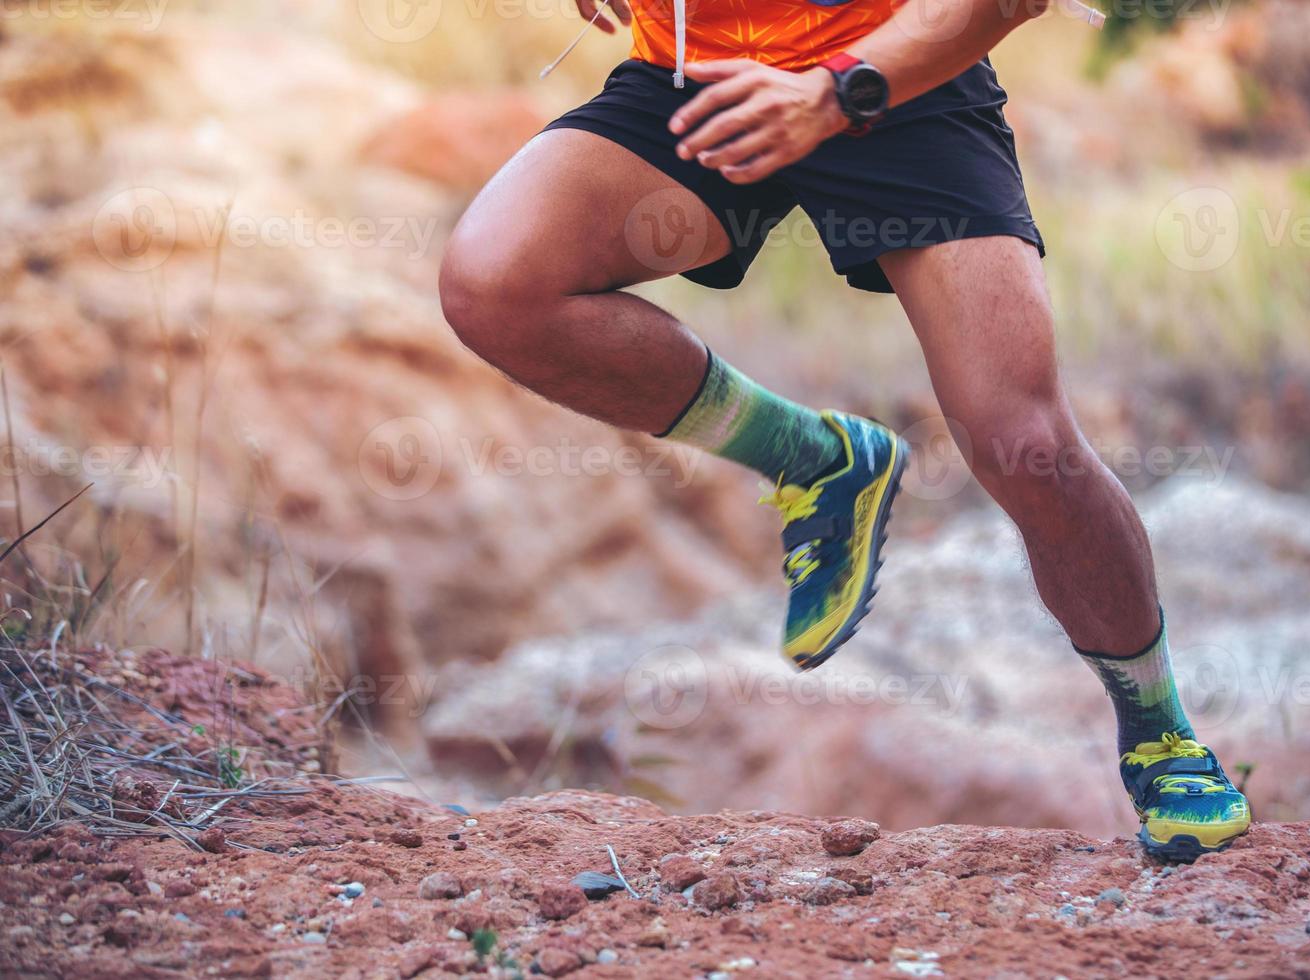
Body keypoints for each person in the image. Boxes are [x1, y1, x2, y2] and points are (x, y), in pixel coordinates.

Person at [438, 0, 1251, 859]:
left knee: (1024, 442)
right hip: (703, 80)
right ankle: (814, 460)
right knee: (495, 284)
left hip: (891, 81)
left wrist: (833, 94)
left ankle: (1160, 733)